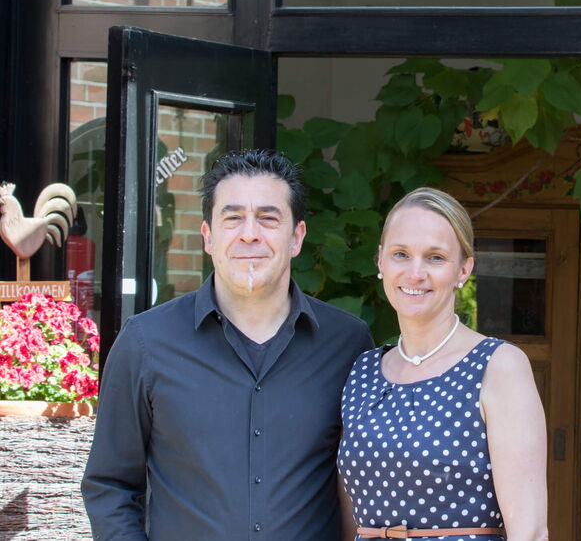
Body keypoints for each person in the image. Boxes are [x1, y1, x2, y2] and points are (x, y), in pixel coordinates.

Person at [82, 149, 373, 540]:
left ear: (296, 237)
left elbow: (365, 481)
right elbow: (110, 486)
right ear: (208, 236)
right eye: (233, 218)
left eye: (268, 218)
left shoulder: (348, 345)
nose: (249, 233)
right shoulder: (146, 342)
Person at [338, 187, 548, 540]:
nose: (415, 273)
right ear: (380, 262)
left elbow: (530, 531)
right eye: (401, 254)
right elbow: (350, 516)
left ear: (463, 269)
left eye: (435, 257)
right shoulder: (363, 372)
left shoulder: (498, 366)